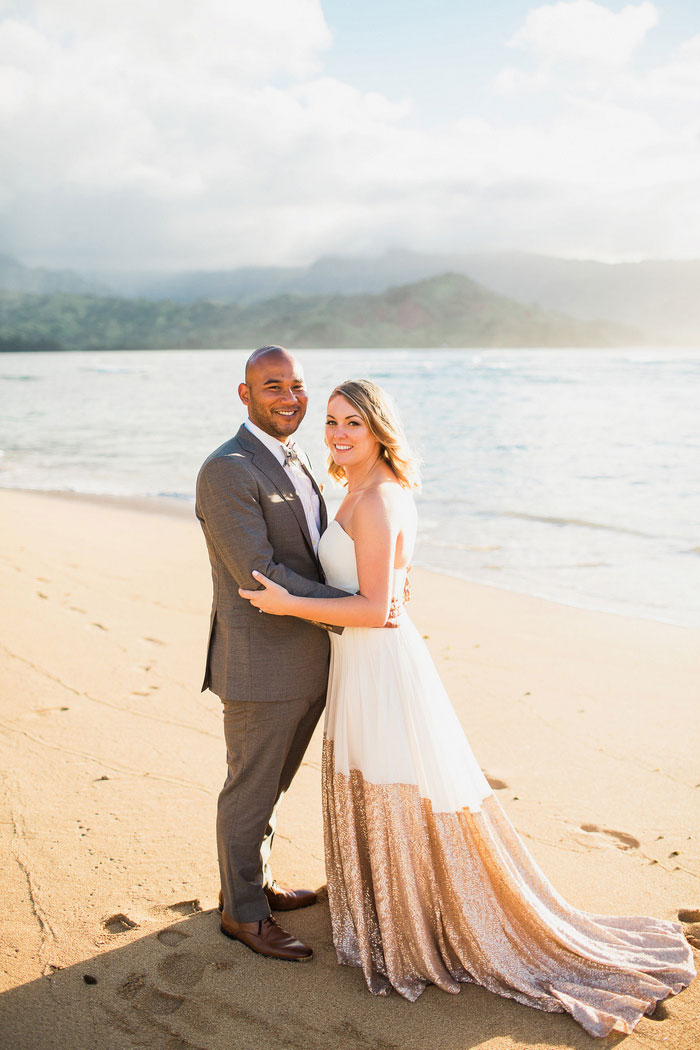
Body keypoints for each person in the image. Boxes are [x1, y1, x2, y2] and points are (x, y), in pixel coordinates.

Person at [239, 378, 696, 1037]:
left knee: (397, 781)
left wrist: (290, 605)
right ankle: (392, 902)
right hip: (359, 663)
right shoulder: (360, 489)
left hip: (382, 664)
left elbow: (378, 609)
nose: (338, 433)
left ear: (378, 430)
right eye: (333, 421)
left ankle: (420, 919)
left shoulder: (381, 498)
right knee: (379, 778)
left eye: (353, 424)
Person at [195, 345, 351, 963]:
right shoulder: (228, 468)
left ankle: (253, 888)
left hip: (308, 655)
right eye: (272, 386)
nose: (289, 397)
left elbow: (310, 546)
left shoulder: (296, 456)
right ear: (245, 394)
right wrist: (353, 605)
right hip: (261, 663)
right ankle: (243, 916)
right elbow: (258, 574)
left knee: (272, 789)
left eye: (296, 385)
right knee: (249, 792)